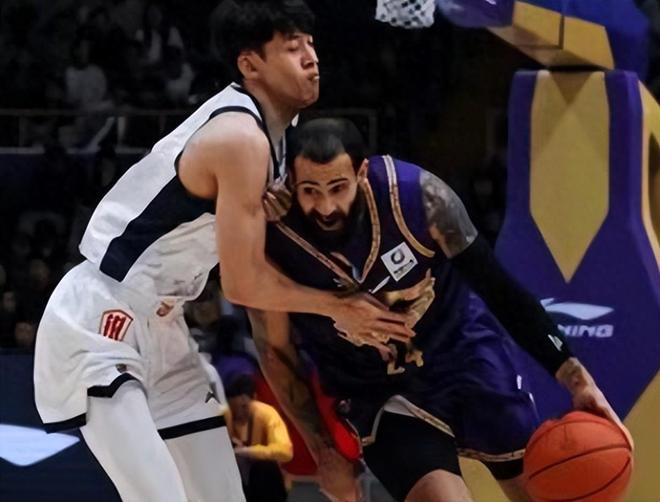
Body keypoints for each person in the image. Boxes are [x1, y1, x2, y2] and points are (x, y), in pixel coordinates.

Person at [33, 2, 410, 501]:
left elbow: (258, 287)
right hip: (102, 318)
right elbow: (242, 284)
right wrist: (340, 307)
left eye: (310, 43)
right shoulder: (240, 138)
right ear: (250, 64)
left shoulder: (282, 139)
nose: (311, 57)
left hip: (167, 324)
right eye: (292, 48)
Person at [252, 118, 631, 502]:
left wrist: (577, 379)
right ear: (291, 181)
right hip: (378, 388)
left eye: (338, 187)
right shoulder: (272, 236)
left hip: (463, 355)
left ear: (362, 173)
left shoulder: (419, 199)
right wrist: (323, 449)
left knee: (538, 491)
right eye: (310, 190)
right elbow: (274, 351)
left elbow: (500, 290)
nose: (326, 206)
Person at [225, 374, 293, 502]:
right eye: (234, 408)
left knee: (264, 467)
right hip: (236, 481)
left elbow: (285, 452)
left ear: (255, 399)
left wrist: (248, 451)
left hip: (265, 482)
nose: (239, 414)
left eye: (244, 407)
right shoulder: (223, 414)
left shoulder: (266, 413)